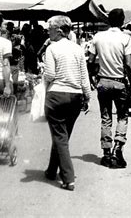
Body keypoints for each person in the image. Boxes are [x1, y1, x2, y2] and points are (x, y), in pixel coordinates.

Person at [43, 15, 91, 191]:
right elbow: (84, 76)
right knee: (62, 136)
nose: (48, 32)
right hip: (75, 97)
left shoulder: (52, 49)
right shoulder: (78, 49)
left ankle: (68, 178)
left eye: (50, 29)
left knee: (60, 137)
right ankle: (50, 170)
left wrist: (42, 89)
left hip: (56, 95)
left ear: (59, 31)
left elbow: (49, 75)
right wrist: (87, 96)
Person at [88, 8, 131, 168]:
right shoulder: (126, 38)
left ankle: (106, 153)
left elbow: (91, 60)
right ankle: (118, 148)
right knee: (122, 116)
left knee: (106, 117)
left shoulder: (98, 37)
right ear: (122, 21)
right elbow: (129, 64)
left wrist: (93, 77)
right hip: (119, 82)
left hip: (103, 82)